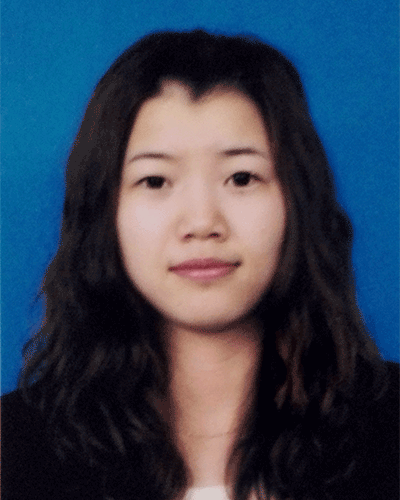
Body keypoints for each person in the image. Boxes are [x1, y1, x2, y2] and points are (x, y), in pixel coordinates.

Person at [1, 29, 398, 500]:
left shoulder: (389, 431)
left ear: (297, 202)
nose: (202, 222)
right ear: (104, 214)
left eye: (242, 177)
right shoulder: (15, 448)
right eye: (155, 181)